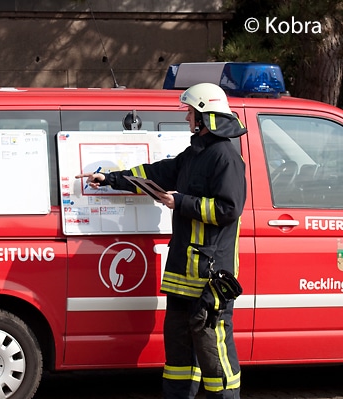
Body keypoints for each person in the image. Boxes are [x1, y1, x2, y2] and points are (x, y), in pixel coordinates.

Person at [76, 82, 247, 399]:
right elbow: (156, 173)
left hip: (210, 277)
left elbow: (229, 208)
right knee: (180, 356)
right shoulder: (196, 153)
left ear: (203, 115)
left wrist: (179, 202)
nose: (186, 119)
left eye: (189, 113)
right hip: (183, 274)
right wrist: (111, 178)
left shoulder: (225, 158)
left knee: (214, 356)